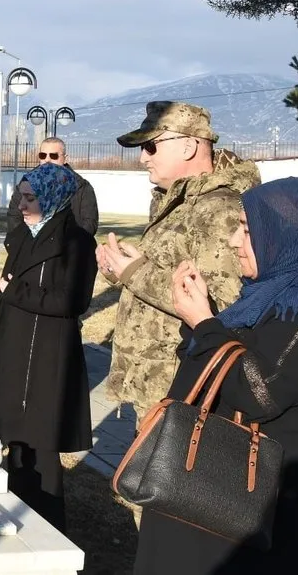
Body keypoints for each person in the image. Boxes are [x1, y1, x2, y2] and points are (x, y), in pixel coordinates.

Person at [133, 178, 298, 574]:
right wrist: (204, 320)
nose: (235, 241)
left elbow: (259, 391)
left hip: (255, 506)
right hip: (210, 490)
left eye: (248, 229)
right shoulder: (272, 291)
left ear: (288, 235)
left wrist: (203, 322)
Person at [98, 101, 259, 419]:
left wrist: (134, 271)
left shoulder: (221, 208)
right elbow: (168, 270)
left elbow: (222, 306)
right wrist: (122, 268)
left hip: (183, 392)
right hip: (156, 383)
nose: (143, 158)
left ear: (188, 146)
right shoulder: (176, 200)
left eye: (151, 146)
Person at [0, 163, 96, 531]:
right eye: (21, 197)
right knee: (14, 446)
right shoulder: (22, 235)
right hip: (13, 352)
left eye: (31, 198)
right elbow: (14, 289)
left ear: (52, 197)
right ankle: (14, 522)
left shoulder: (75, 243)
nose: (22, 205)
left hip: (45, 359)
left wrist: (11, 290)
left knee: (41, 451)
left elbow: (70, 302)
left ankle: (47, 532)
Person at [5, 137, 99, 235]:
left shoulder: (81, 186)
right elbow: (14, 216)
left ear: (65, 158)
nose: (47, 159)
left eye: (54, 156)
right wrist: (28, 243)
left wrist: (69, 245)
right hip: (33, 247)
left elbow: (89, 223)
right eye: (43, 155)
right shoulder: (26, 183)